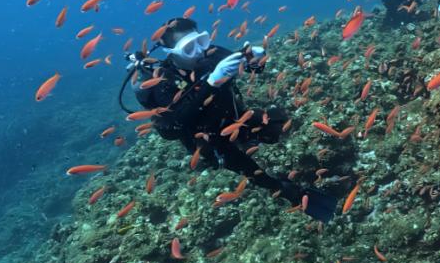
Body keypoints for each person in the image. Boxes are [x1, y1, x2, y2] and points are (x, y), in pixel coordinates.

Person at [123, 17, 338, 222]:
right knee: (261, 176)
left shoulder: (212, 53)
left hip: (236, 117)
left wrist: (255, 60)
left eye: (201, 41)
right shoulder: (162, 81)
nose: (199, 50)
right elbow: (174, 127)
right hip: (210, 140)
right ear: (171, 53)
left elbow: (253, 68)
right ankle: (292, 195)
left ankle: (264, 148)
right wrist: (211, 83)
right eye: (189, 48)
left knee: (278, 123)